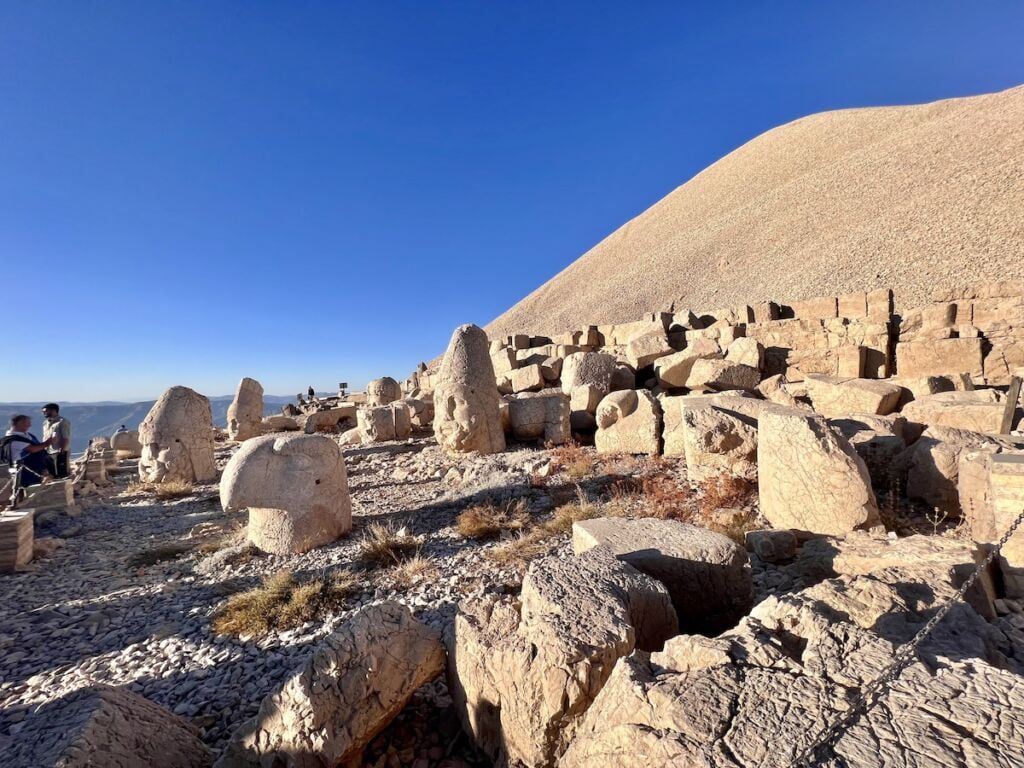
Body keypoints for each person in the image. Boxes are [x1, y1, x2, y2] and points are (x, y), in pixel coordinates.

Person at [2, 415, 56, 487]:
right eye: (28, 423)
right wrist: (47, 443)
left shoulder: (26, 435)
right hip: (25, 470)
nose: (30, 425)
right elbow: (32, 449)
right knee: (29, 488)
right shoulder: (13, 440)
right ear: (20, 423)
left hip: (36, 468)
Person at [42, 403, 72, 478]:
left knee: (61, 472)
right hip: (48, 451)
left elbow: (65, 436)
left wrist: (63, 448)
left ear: (53, 410)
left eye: (46, 411)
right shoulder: (45, 423)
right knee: (52, 472)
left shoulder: (62, 422)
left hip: (59, 451)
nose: (44, 413)